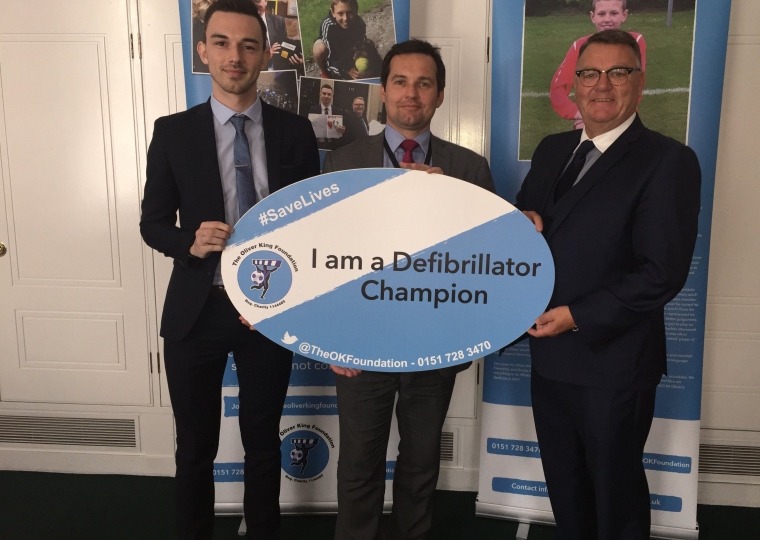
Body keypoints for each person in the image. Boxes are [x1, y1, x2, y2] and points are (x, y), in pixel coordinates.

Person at [139, 0, 319, 538]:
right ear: (203, 50)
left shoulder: (295, 132)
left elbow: (312, 226)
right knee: (195, 445)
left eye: (247, 45)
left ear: (265, 53)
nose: (234, 56)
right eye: (221, 42)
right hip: (197, 311)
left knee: (263, 441)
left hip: (268, 307)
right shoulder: (172, 132)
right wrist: (188, 243)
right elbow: (151, 224)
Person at [516, 30, 700, 540]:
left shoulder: (667, 161)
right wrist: (520, 219)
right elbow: (526, 226)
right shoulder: (552, 150)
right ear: (572, 86)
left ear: (639, 84)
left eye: (618, 72)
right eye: (589, 73)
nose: (602, 85)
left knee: (614, 500)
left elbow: (661, 273)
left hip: (614, 364)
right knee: (567, 492)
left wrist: (576, 315)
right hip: (547, 359)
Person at [322, 39, 495, 540]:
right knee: (358, 465)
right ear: (382, 90)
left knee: (420, 466)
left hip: (434, 348)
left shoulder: (470, 171)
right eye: (400, 81)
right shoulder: (342, 163)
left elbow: (483, 266)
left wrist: (450, 207)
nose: (411, 94)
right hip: (360, 347)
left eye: (424, 83)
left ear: (439, 95)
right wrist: (332, 336)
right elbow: (324, 259)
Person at [549, 0, 646, 129]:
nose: (607, 19)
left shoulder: (635, 42)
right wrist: (577, 113)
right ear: (592, 17)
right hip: (590, 122)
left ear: (624, 15)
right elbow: (557, 89)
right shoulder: (579, 46)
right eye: (601, 14)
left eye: (613, 13)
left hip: (622, 121)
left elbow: (634, 86)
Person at [312, 0, 382, 80]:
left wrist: (361, 56)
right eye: (340, 13)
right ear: (333, 12)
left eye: (349, 13)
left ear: (355, 10)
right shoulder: (328, 25)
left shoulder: (359, 23)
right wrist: (346, 70)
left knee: (370, 43)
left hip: (350, 47)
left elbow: (361, 44)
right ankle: (326, 73)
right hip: (333, 50)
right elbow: (331, 57)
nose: (345, 18)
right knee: (319, 49)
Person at [252, 0, 304, 76]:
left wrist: (298, 59)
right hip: (258, 75)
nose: (254, 4)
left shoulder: (278, 21)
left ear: (266, 2)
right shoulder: (244, 25)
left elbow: (284, 46)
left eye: (257, 1)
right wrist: (266, 56)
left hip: (279, 74)